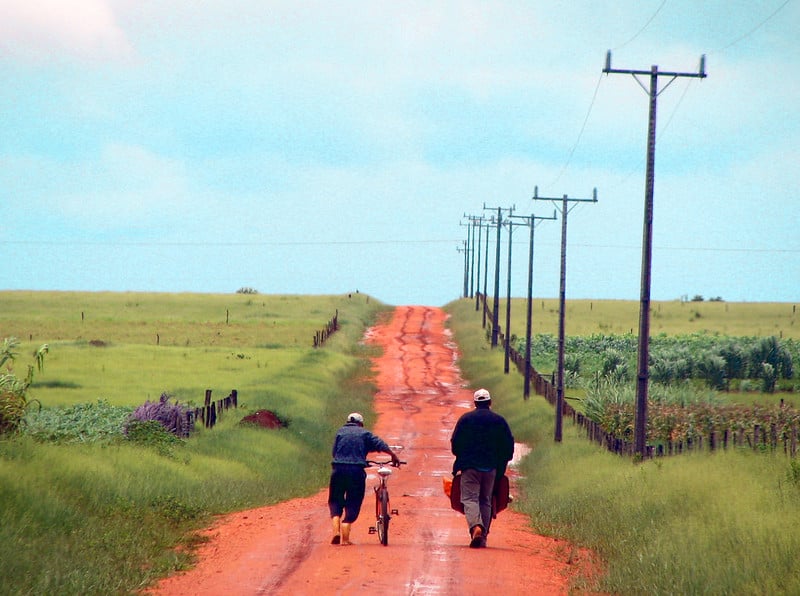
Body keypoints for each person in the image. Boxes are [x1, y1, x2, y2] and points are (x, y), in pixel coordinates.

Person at [450, 388, 515, 548]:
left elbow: (455, 444)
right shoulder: (499, 421)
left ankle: (476, 527)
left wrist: (462, 458)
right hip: (491, 468)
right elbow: (508, 447)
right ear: (489, 403)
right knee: (485, 500)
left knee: (470, 499)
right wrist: (500, 465)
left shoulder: (465, 419)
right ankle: (483, 536)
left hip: (470, 466)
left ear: (475, 403)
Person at [328, 412, 400, 545]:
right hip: (355, 471)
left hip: (338, 470)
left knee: (335, 499)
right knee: (353, 500)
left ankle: (336, 528)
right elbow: (379, 444)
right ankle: (345, 531)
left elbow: (334, 453)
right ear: (361, 424)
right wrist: (393, 455)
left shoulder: (340, 432)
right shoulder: (364, 433)